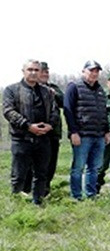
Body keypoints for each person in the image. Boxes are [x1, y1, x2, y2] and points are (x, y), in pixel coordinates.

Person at [3, 60, 58, 205]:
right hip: (22, 138)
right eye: (30, 69)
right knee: (19, 175)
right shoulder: (11, 90)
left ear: (40, 72)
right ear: (23, 71)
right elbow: (8, 111)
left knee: (41, 174)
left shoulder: (48, 92)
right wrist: (27, 126)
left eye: (36, 70)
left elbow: (55, 112)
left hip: (43, 139)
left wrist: (49, 126)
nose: (33, 72)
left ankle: (37, 202)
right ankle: (16, 205)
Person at [63, 60, 110, 200]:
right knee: (78, 168)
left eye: (97, 71)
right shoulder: (74, 87)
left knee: (94, 168)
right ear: (83, 71)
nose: (94, 74)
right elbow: (68, 111)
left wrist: (106, 131)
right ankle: (76, 196)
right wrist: (73, 132)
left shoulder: (100, 90)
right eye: (91, 70)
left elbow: (104, 112)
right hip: (82, 136)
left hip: (99, 135)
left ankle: (91, 194)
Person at [34, 61, 64, 196]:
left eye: (47, 72)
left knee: (51, 162)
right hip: (35, 132)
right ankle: (31, 189)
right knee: (34, 163)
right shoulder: (30, 88)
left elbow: (63, 102)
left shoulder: (54, 87)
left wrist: (53, 94)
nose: (45, 74)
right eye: (42, 71)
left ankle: (46, 188)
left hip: (53, 132)